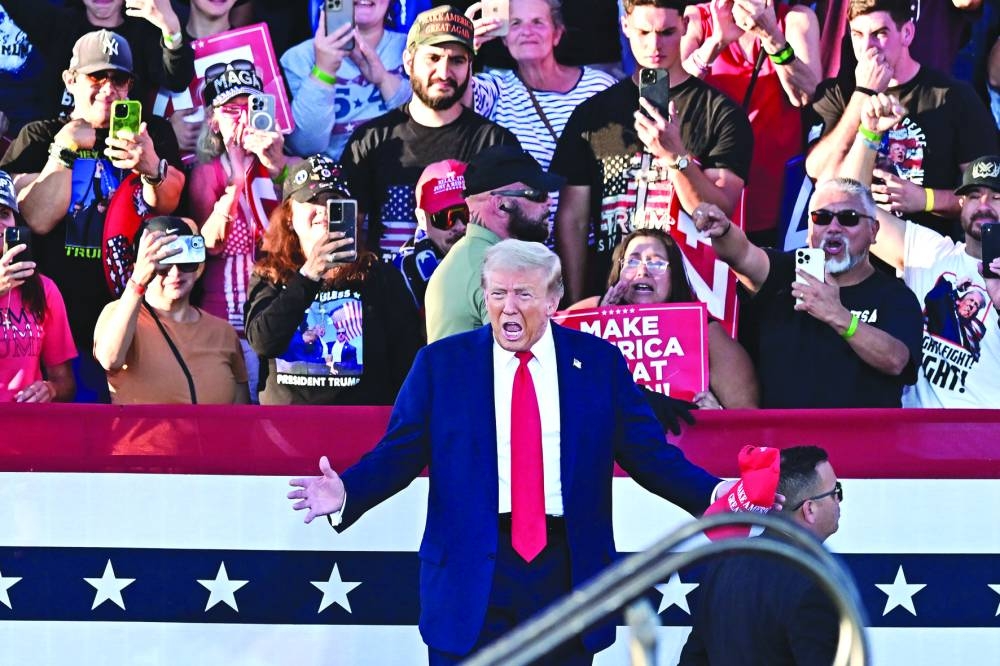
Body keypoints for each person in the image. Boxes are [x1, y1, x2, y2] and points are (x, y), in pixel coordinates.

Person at [288, 238, 741, 665]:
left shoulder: (599, 364)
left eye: (523, 294)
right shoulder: (441, 364)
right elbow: (400, 452)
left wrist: (717, 495)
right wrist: (348, 491)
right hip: (471, 572)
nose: (507, 307)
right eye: (497, 293)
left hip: (567, 574)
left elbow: (649, 456)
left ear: (552, 300)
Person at [1, 29, 184, 402]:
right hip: (59, 328)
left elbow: (173, 204)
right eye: (96, 77)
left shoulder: (151, 133)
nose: (108, 88)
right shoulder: (39, 136)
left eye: (119, 79)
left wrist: (151, 166)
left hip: (137, 323)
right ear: (71, 80)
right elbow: (35, 218)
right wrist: (65, 150)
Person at [550, 0, 753, 304]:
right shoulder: (593, 114)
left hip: (691, 298)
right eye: (644, 32)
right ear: (625, 26)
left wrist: (675, 157)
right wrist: (578, 305)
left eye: (666, 32)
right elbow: (572, 220)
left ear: (685, 24)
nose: (654, 45)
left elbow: (717, 211)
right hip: (610, 294)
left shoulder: (720, 113)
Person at [692, 178, 923, 407]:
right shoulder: (783, 272)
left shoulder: (894, 295)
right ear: (809, 229)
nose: (833, 227)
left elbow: (897, 361)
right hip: (786, 439)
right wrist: (723, 230)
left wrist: (839, 317)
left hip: (861, 440)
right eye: (821, 218)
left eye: (848, 218)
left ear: (873, 230)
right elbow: (741, 255)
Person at [841, 93, 1000, 407]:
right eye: (974, 195)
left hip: (988, 440)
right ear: (961, 203)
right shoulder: (930, 251)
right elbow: (849, 207)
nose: (984, 205)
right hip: (921, 438)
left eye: (996, 197)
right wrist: (870, 135)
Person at [339, 5, 518, 261]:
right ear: (408, 62)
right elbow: (347, 237)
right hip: (389, 293)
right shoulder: (369, 140)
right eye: (433, 58)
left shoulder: (495, 142)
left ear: (470, 66)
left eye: (457, 60)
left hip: (469, 294)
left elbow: (511, 240)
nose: (444, 73)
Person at [804, 0, 996, 238]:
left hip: (928, 253)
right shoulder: (836, 94)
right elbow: (818, 172)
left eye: (879, 34)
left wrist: (925, 198)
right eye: (857, 34)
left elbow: (987, 195)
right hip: (855, 252)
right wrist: (863, 94)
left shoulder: (953, 97)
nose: (867, 48)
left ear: (906, 33)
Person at [244, 155, 422, 405]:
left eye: (334, 201)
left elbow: (406, 360)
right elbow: (263, 342)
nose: (323, 210)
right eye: (311, 201)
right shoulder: (270, 274)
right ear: (289, 216)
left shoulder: (378, 275)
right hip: (287, 434)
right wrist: (309, 275)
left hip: (360, 432)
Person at [678, 445, 842, 666]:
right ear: (809, 509)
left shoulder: (722, 566)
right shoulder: (815, 581)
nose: (839, 501)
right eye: (835, 493)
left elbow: (693, 660)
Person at [466, 0, 616, 240]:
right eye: (515, 24)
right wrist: (467, 46)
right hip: (526, 250)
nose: (527, 31)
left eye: (538, 22)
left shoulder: (599, 87)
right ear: (503, 37)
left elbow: (613, 164)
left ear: (557, 33)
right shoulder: (496, 88)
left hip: (589, 244)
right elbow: (458, 102)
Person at [681, 0, 821, 246]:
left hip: (773, 195)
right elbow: (671, 95)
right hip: (709, 187)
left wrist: (772, 37)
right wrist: (715, 43)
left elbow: (806, 94)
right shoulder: (697, 19)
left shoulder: (795, 20)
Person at [188, 60, 285, 401]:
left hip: (274, 308)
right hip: (222, 313)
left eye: (252, 106)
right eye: (231, 110)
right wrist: (237, 177)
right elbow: (210, 244)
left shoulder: (283, 165)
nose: (243, 117)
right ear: (213, 120)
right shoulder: (206, 174)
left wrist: (276, 168)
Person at [582, 228, 759, 409]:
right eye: (632, 261)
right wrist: (597, 324)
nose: (642, 271)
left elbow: (748, 419)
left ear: (674, 275)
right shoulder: (591, 310)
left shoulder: (705, 332)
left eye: (656, 263)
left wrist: (716, 415)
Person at [93, 215, 250, 404]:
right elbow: (110, 359)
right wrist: (138, 282)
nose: (175, 272)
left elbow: (241, 416)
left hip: (213, 434)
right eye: (162, 263)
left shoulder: (223, 332)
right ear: (140, 266)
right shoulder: (119, 314)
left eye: (184, 260)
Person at [424, 145, 562, 343]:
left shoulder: (469, 257)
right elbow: (522, 352)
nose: (549, 202)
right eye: (537, 195)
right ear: (501, 205)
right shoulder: (490, 266)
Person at [2, 0, 193, 120]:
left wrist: (171, 28)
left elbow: (177, 81)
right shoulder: (59, 24)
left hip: (124, 152)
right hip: (61, 147)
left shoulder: (143, 31)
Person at [282, 0, 411, 160]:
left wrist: (384, 79)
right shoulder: (298, 58)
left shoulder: (411, 49)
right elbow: (305, 147)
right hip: (335, 180)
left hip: (401, 172)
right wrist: (323, 71)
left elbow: (429, 127)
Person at [0, 170, 76, 403]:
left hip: (27, 428)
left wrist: (50, 389)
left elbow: (65, 382)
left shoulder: (44, 289)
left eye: (4, 213)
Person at [393, 159, 469, 310]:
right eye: (444, 217)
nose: (460, 226)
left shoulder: (499, 250)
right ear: (421, 219)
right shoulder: (404, 272)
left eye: (467, 213)